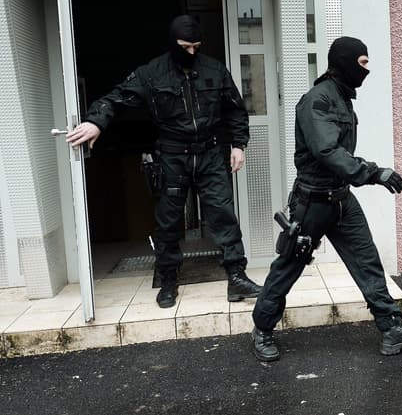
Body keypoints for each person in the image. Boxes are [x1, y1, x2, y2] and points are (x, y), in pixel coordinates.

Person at [250, 36, 402, 361]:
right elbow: (327, 151)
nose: (367, 69)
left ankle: (391, 330)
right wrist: (374, 173)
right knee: (288, 266)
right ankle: (262, 329)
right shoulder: (317, 100)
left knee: (368, 262)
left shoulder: (342, 98)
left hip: (341, 200)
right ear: (346, 63)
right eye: (362, 63)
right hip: (312, 203)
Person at [66, 15, 262, 308]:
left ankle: (236, 276)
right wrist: (96, 122)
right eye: (185, 46)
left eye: (196, 46)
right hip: (172, 156)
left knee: (223, 214)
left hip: (209, 153)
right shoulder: (152, 73)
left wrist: (238, 145)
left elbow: (235, 109)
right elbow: (117, 98)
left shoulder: (215, 70)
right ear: (173, 44)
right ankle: (168, 278)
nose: (192, 53)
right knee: (168, 221)